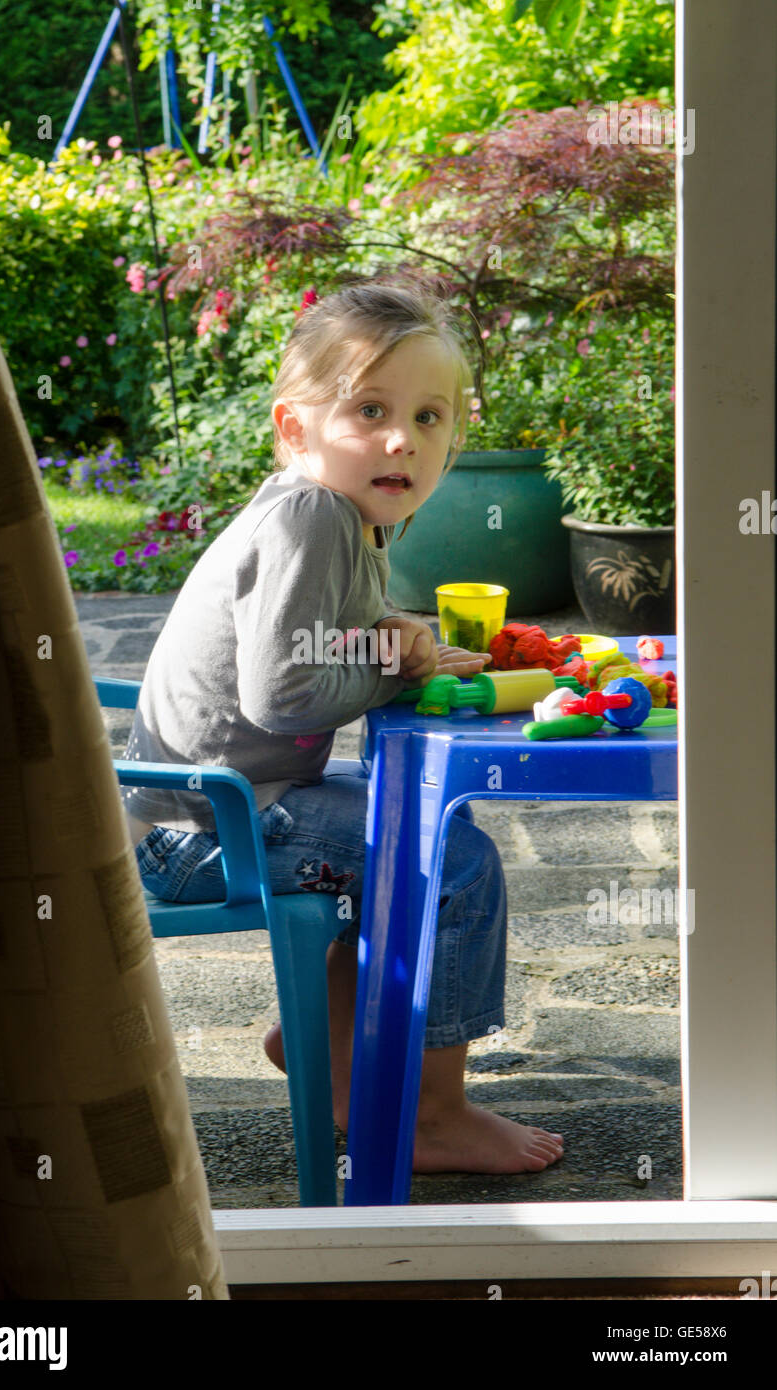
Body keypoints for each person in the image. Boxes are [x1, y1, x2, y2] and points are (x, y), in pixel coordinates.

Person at [122, 279, 564, 1175]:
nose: (403, 437)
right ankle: (431, 1114)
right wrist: (388, 664)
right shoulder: (312, 514)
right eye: (370, 409)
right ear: (296, 428)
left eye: (431, 417)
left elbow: (309, 637)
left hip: (214, 808)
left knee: (421, 826)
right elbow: (283, 696)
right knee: (453, 861)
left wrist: (388, 632)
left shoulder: (344, 520)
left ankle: (329, 1051)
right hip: (207, 827)